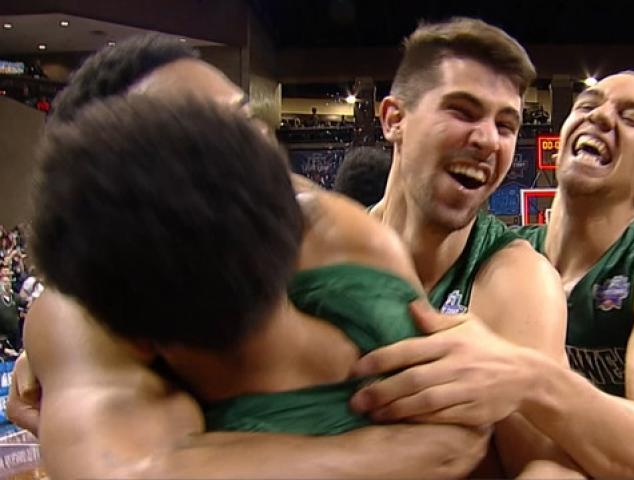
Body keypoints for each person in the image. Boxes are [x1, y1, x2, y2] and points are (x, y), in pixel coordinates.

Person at [10, 34, 488, 479]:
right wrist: (412, 451)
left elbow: (461, 429)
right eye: (204, 141)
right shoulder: (80, 307)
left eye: (245, 120)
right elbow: (124, 472)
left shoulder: (338, 235)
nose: (253, 147)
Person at [353, 71, 634, 478]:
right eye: (588, 105)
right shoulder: (508, 259)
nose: (601, 116)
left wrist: (529, 378)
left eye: (631, 118)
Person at [357, 18, 572, 476]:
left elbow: (545, 467)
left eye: (506, 125)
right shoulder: (325, 252)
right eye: (462, 111)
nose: (487, 139)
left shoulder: (518, 281)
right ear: (394, 120)